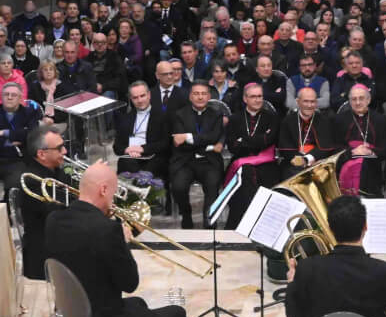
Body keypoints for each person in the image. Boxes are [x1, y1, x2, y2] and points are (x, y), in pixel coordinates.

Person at [45, 161, 185, 317]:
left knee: (138, 303)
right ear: (103, 190)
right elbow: (130, 284)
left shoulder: (53, 219)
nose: (113, 200)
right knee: (176, 315)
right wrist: (123, 242)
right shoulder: (108, 230)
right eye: (113, 193)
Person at [284, 195, 386, 317]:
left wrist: (292, 284)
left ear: (329, 228)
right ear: (365, 226)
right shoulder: (382, 270)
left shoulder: (307, 267)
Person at [168, 81, 225, 229]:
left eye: (204, 94)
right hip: (185, 161)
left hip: (209, 161)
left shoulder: (217, 114)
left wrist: (187, 137)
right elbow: (179, 142)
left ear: (209, 96)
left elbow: (214, 136)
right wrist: (209, 145)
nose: (200, 97)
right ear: (190, 96)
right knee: (178, 186)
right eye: (196, 93)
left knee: (212, 184)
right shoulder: (179, 115)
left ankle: (209, 220)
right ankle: (186, 215)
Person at [15, 121, 68, 279]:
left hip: (61, 240)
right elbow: (59, 215)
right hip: (44, 256)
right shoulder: (31, 181)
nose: (65, 151)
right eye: (59, 148)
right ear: (42, 154)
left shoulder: (57, 171)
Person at [223, 82, 279, 228]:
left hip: (266, 163)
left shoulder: (271, 117)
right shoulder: (235, 118)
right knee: (245, 176)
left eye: (260, 96)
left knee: (261, 180)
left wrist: (243, 141)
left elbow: (270, 140)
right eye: (253, 96)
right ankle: (246, 224)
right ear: (245, 99)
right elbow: (233, 147)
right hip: (240, 161)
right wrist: (259, 140)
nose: (257, 100)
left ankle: (257, 224)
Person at [337, 84, 386, 197]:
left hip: (371, 162)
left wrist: (370, 151)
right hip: (347, 158)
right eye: (354, 99)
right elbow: (335, 147)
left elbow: (385, 148)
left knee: (365, 166)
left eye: (361, 98)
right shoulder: (340, 119)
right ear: (349, 102)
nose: (358, 102)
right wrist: (352, 151)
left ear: (368, 100)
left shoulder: (380, 120)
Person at [113, 80, 170, 181]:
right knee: (125, 163)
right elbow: (117, 147)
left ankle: (140, 183)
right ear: (131, 99)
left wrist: (143, 149)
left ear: (149, 95)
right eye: (135, 97)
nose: (139, 100)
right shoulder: (125, 118)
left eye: (142, 96)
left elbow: (165, 143)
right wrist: (127, 149)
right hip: (131, 157)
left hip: (153, 156)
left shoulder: (162, 116)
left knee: (149, 170)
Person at [277, 85, 342, 169]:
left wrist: (308, 159)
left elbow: (326, 147)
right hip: (293, 163)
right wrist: (300, 160)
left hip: (318, 162)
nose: (309, 105)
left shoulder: (324, 121)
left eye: (312, 102)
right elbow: (286, 148)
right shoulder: (287, 121)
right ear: (298, 102)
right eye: (305, 101)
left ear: (316, 103)